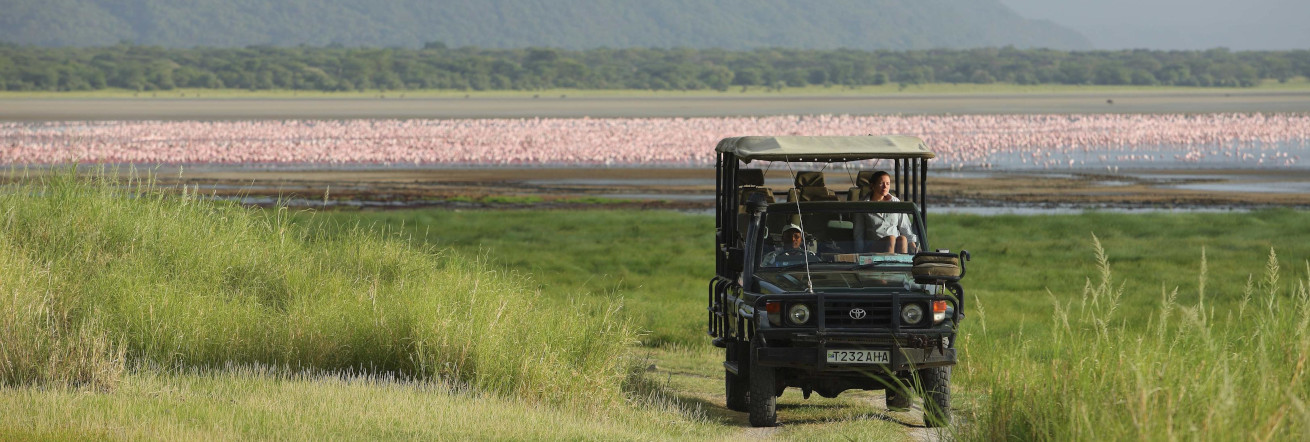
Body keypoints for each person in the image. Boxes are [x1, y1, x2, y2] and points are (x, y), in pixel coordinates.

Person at [854, 171, 918, 253]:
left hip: (896, 244)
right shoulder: (862, 205)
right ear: (872, 186)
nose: (885, 187)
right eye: (881, 183)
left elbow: (905, 227)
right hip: (873, 246)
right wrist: (859, 254)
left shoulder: (895, 202)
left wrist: (915, 249)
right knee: (890, 239)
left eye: (888, 184)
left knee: (902, 239)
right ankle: (888, 265)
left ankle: (902, 264)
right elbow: (858, 233)